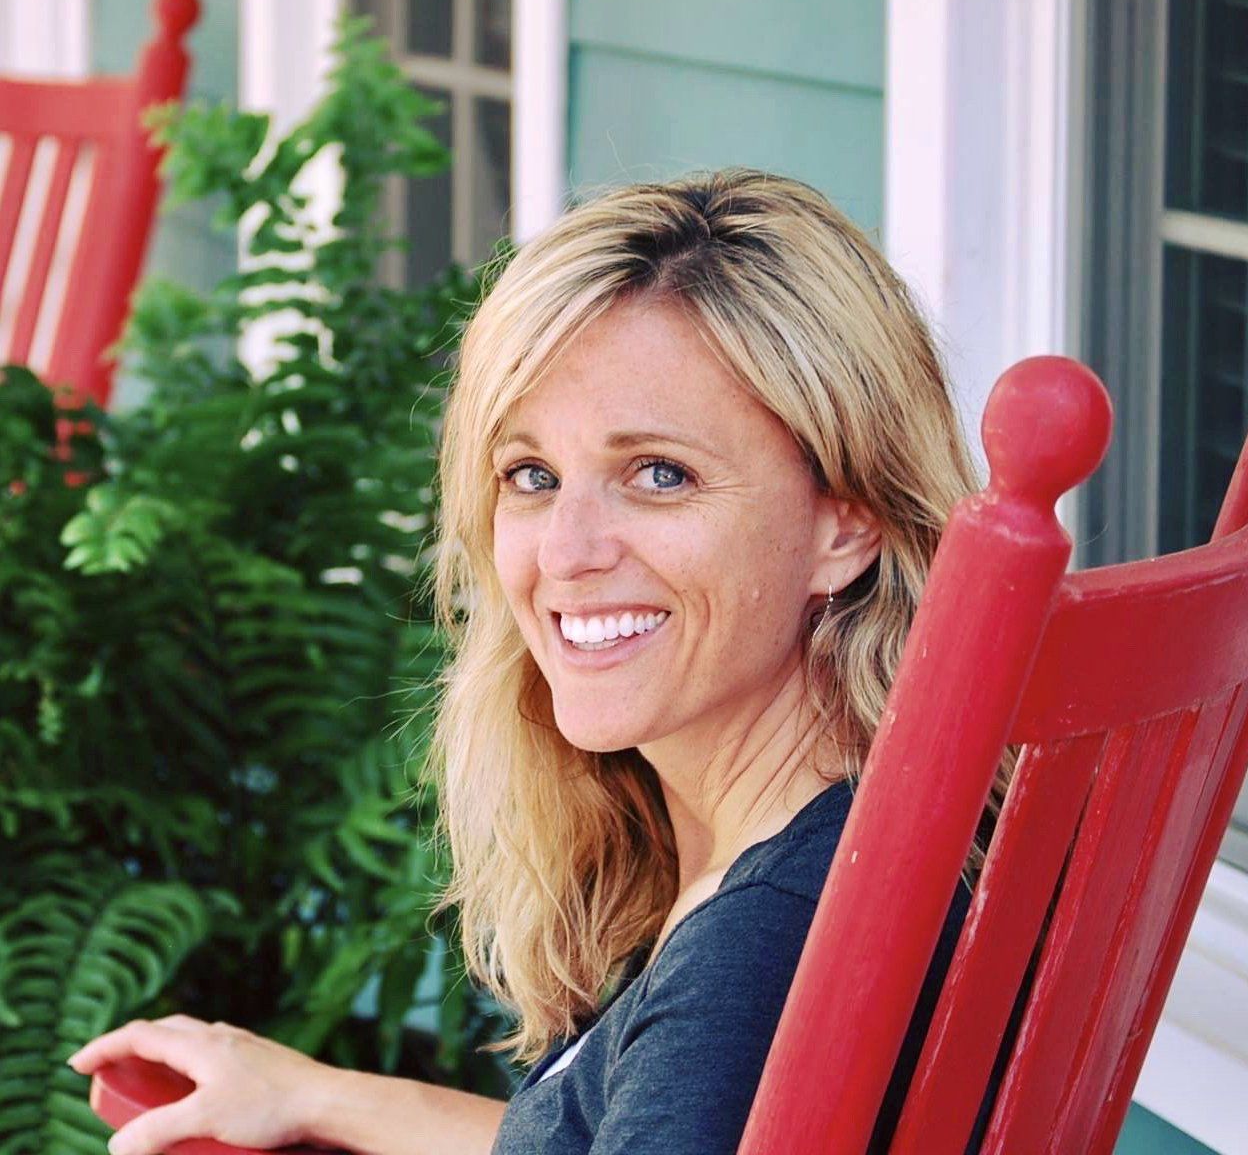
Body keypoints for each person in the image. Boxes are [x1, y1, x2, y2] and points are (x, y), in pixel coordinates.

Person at [67, 169, 1013, 1155]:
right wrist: (321, 1097)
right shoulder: (840, 838)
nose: (563, 552)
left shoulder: (756, 959)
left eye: (657, 474)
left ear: (844, 524)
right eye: (531, 475)